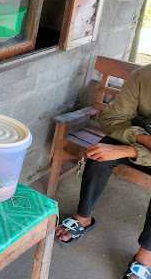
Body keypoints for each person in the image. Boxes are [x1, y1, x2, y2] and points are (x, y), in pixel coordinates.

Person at [55, 64, 151, 279]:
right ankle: (83, 218)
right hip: (141, 137)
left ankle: (146, 255)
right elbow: (111, 118)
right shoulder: (144, 76)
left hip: (135, 146)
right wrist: (141, 140)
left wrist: (130, 151)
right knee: (99, 154)